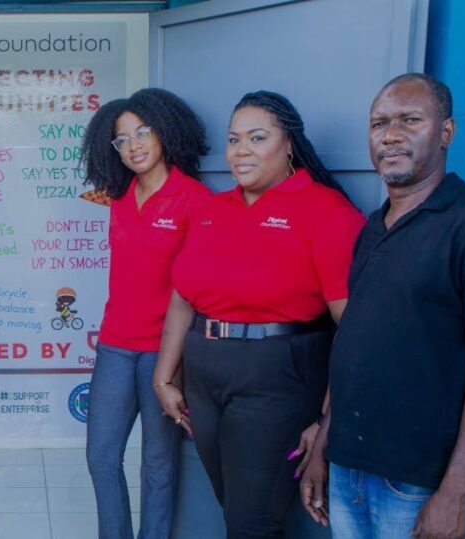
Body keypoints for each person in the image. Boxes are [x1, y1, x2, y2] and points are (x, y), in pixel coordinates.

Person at [299, 73, 465, 539]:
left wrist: (454, 492)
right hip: (348, 466)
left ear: (446, 132)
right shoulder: (372, 228)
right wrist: (325, 439)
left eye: (410, 120)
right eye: (379, 123)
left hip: (415, 483)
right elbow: (356, 344)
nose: (391, 135)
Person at [154, 91, 365, 538]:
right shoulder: (214, 210)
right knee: (235, 508)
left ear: (288, 144)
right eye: (234, 140)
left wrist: (328, 421)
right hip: (205, 375)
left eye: (257, 137)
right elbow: (182, 297)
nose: (241, 150)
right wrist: (164, 377)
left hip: (277, 376)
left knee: (253, 523)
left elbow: (357, 330)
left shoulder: (326, 211)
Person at [78, 87, 213, 539]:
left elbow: (200, 289)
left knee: (158, 463)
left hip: (165, 352)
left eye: (143, 132)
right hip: (116, 345)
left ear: (165, 133)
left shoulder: (195, 200)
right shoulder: (119, 196)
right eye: (122, 139)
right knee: (101, 456)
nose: (134, 145)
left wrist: (178, 365)